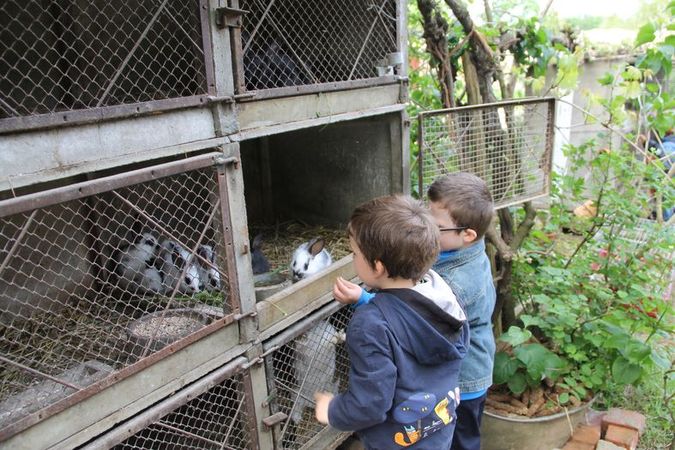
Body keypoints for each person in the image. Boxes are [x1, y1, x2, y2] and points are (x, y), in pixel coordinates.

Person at [314, 194, 469, 449]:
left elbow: (371, 404)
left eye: (354, 253)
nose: (353, 259)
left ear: (377, 267)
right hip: (438, 432)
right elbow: (409, 317)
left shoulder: (369, 325)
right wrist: (365, 299)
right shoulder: (446, 298)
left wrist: (332, 410)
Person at [427, 173, 496, 450]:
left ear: (467, 234)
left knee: (461, 442)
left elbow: (415, 316)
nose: (428, 230)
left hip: (464, 382)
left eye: (436, 226)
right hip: (460, 373)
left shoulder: (458, 283)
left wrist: (367, 300)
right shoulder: (457, 246)